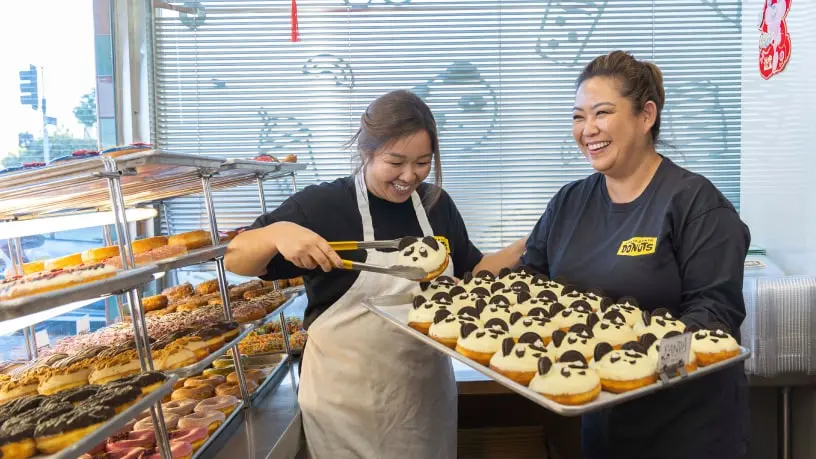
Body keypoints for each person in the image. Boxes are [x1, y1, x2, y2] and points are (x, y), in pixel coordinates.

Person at [225, 89, 525, 459]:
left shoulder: (436, 205)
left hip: (423, 404)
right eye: (396, 161)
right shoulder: (323, 205)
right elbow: (236, 260)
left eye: (422, 162)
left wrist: (527, 245)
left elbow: (473, 273)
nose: (409, 176)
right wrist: (275, 234)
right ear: (366, 151)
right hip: (347, 408)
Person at [521, 51, 750, 458]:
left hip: (689, 432)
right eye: (578, 117)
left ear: (646, 116)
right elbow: (529, 286)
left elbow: (715, 321)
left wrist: (636, 369)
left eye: (602, 113)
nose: (587, 129)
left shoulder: (696, 204)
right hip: (605, 426)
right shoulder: (569, 204)